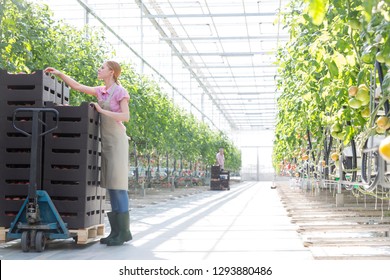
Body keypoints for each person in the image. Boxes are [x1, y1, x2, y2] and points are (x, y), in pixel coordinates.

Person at [44, 61, 132, 246]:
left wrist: (101, 110)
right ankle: (115, 232)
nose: (98, 70)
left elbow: (125, 117)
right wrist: (60, 73)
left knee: (119, 186)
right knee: (110, 186)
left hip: (117, 140)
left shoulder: (120, 92)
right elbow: (77, 86)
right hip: (106, 142)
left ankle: (124, 232)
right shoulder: (101, 90)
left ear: (111, 72)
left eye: (102, 67)